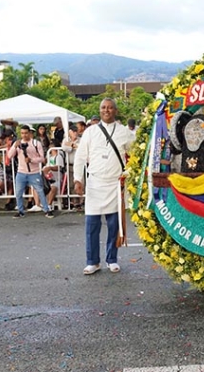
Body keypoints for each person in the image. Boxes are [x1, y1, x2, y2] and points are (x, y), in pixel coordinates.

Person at [74, 98, 135, 275]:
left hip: (115, 184)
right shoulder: (90, 132)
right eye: (103, 108)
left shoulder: (124, 132)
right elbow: (80, 157)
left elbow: (135, 153)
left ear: (115, 111)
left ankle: (112, 259)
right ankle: (92, 261)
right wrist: (78, 179)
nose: (106, 110)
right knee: (91, 224)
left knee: (114, 225)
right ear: (99, 111)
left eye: (109, 108)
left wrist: (130, 175)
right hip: (94, 183)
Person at [8, 125, 54, 218]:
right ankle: (20, 211)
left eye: (26, 133)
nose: (24, 135)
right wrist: (14, 147)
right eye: (22, 133)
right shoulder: (17, 143)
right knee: (18, 192)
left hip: (34, 172)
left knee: (40, 191)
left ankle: (46, 209)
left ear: (29, 133)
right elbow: (9, 156)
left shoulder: (36, 143)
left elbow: (42, 158)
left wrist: (31, 160)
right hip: (21, 172)